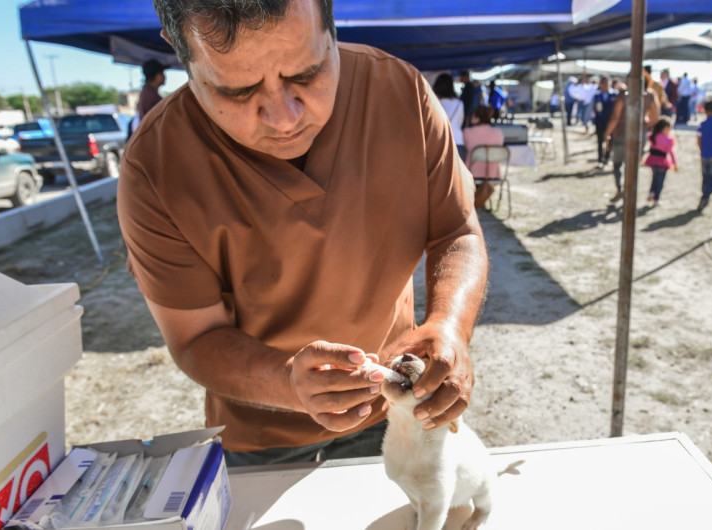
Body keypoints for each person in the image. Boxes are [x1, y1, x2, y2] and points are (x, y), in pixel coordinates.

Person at [119, 0, 488, 467]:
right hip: (261, 433)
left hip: (392, 408)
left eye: (308, 74)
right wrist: (284, 379)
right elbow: (195, 339)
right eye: (237, 90)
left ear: (332, 27)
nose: (284, 117)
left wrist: (449, 326)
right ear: (179, 53)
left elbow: (457, 228)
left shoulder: (399, 92)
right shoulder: (154, 166)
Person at [603, 72, 661, 203]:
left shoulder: (624, 94)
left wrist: (607, 134)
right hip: (639, 134)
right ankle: (628, 191)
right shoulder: (650, 94)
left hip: (622, 134)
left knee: (618, 164)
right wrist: (645, 123)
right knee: (632, 166)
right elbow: (655, 116)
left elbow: (615, 117)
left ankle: (621, 189)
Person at [463, 105, 505, 209]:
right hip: (493, 173)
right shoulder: (498, 132)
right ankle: (481, 199)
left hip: (471, 173)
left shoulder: (467, 132)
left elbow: (466, 148)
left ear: (477, 117)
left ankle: (474, 199)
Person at [643, 117, 678, 206]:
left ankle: (651, 193)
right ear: (664, 128)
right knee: (660, 181)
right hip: (662, 162)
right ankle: (656, 199)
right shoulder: (668, 140)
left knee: (654, 178)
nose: (669, 131)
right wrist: (674, 163)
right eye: (669, 129)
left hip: (652, 160)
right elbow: (671, 152)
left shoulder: (653, 136)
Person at [129, 59, 167, 138]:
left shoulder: (148, 93)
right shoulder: (151, 97)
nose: (165, 76)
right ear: (158, 76)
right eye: (163, 73)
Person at [433, 73, 466, 161]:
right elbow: (460, 123)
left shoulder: (433, 103)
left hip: (438, 142)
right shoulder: (459, 104)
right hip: (457, 141)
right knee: (457, 174)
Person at [592, 76, 617, 167]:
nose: (606, 85)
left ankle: (606, 158)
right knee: (600, 141)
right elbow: (594, 109)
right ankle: (600, 160)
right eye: (604, 83)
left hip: (611, 123)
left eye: (607, 83)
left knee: (610, 141)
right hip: (600, 122)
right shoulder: (597, 95)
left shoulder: (615, 95)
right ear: (601, 84)